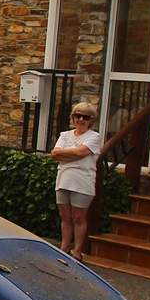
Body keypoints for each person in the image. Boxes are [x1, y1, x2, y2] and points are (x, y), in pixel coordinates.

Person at [51, 101, 102, 259]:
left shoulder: (94, 137)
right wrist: (72, 154)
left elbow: (81, 152)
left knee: (79, 217)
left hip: (82, 182)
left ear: (91, 120)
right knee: (65, 216)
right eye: (77, 116)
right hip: (63, 179)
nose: (80, 120)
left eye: (85, 117)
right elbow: (55, 153)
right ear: (72, 117)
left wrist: (65, 155)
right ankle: (64, 247)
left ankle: (77, 251)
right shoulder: (64, 135)